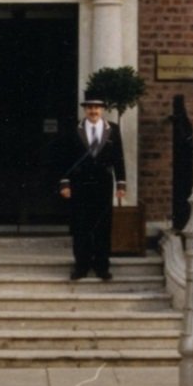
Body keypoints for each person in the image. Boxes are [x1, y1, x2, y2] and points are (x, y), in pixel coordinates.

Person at [58, 97, 126, 282]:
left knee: (103, 226)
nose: (93, 111)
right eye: (89, 108)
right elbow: (64, 157)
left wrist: (121, 183)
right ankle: (81, 266)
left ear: (103, 109)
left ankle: (102, 267)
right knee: (81, 225)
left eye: (97, 108)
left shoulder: (112, 129)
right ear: (85, 110)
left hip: (103, 183)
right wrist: (65, 182)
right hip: (80, 183)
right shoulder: (74, 129)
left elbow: (118, 157)